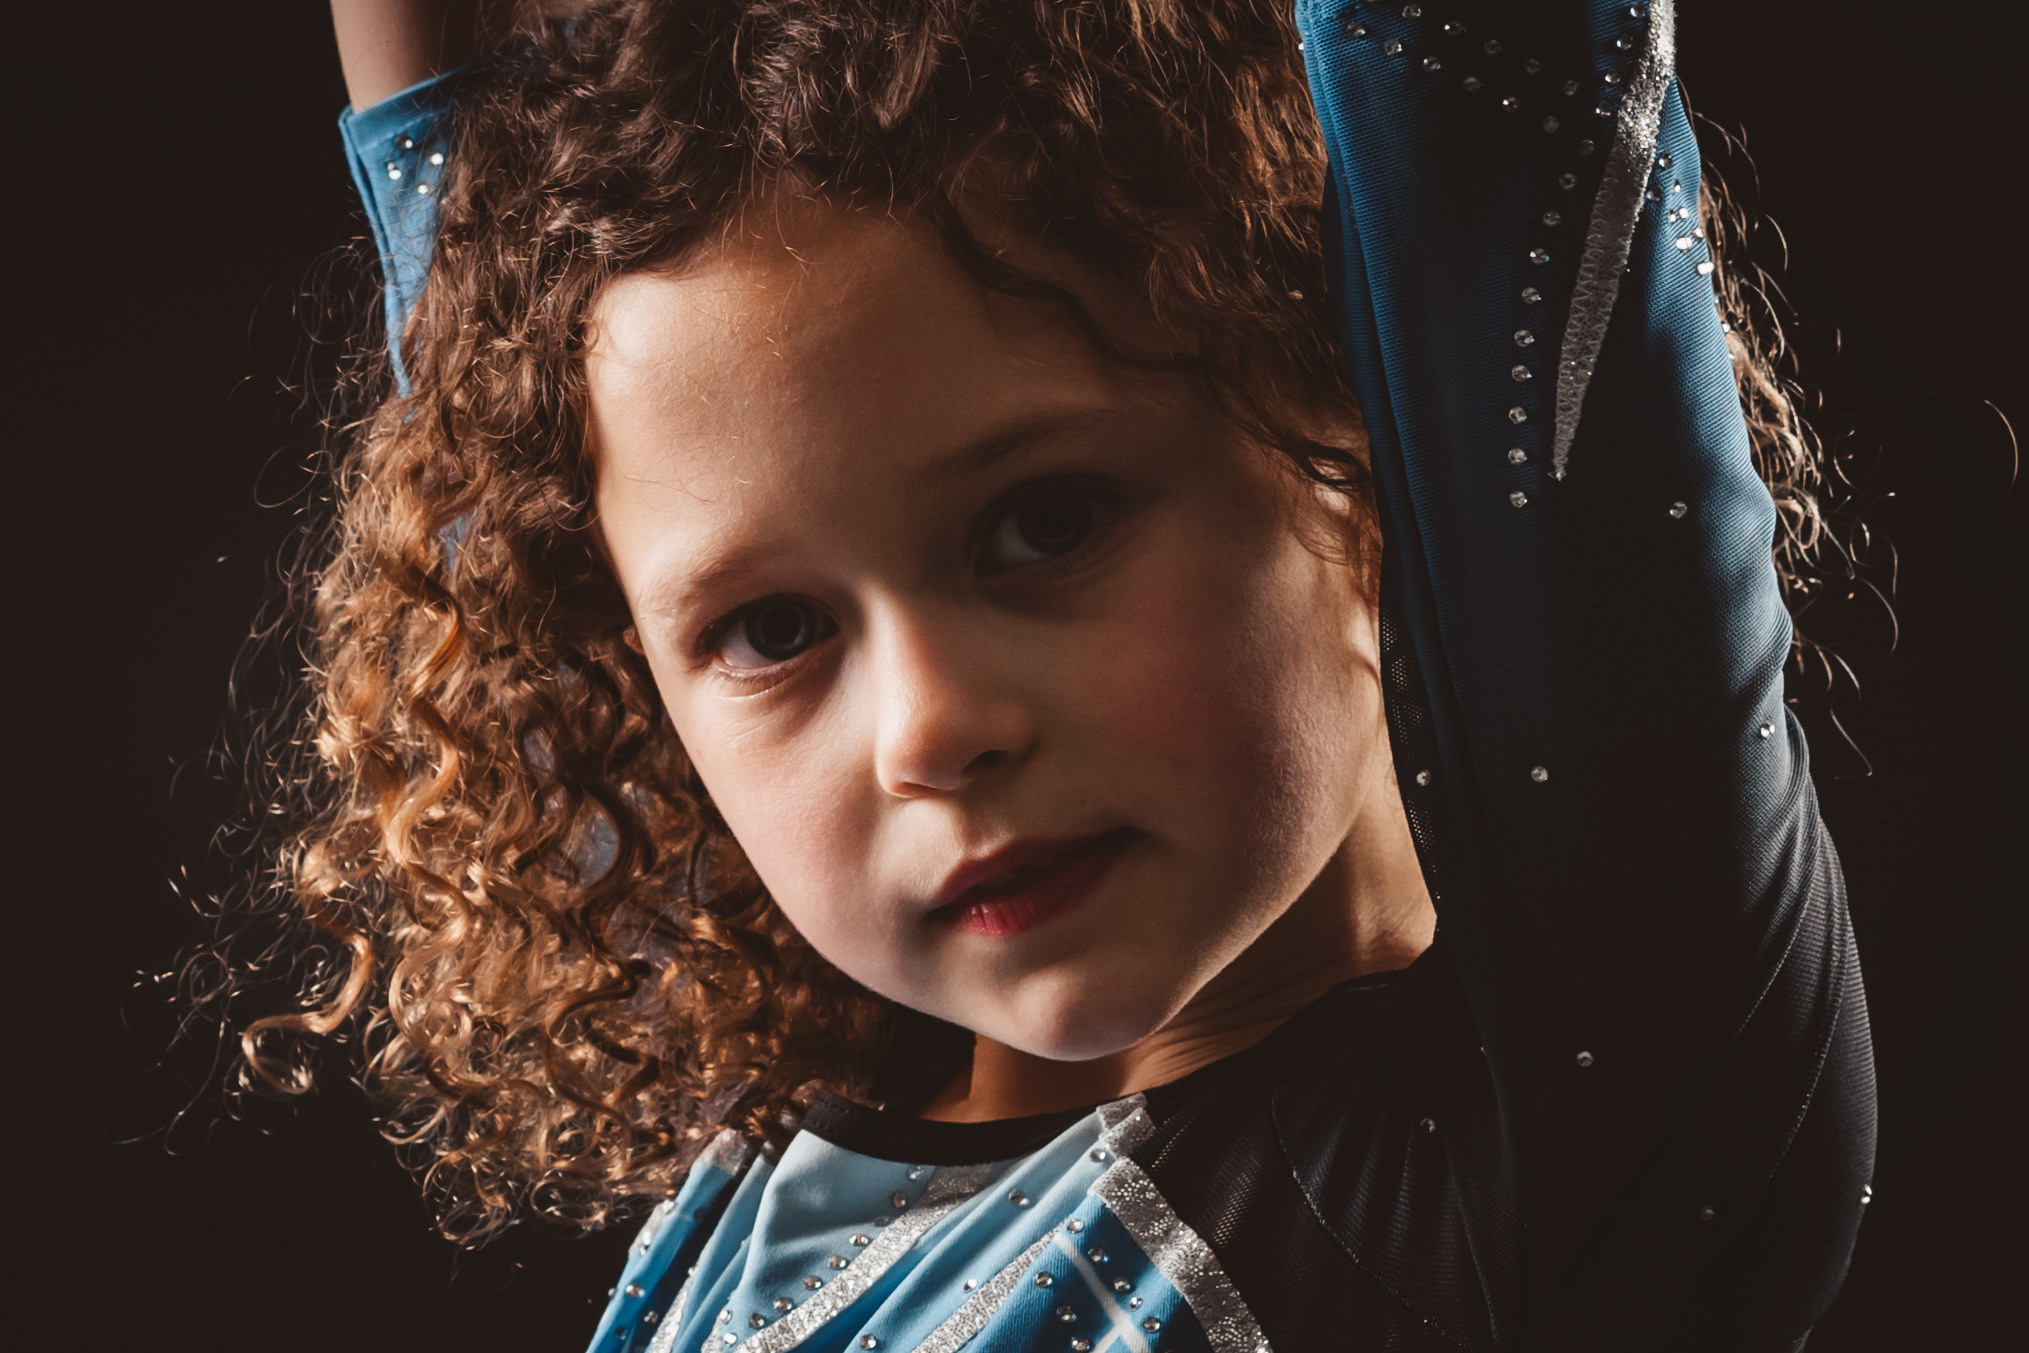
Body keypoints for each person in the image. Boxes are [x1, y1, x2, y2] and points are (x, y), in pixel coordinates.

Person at [247, 1, 1873, 1347]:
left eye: (1044, 521)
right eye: (773, 629)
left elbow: (1494, 130)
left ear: (1359, 439)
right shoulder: (784, 1160)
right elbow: (490, 334)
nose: (933, 728)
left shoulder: (1554, 1159)